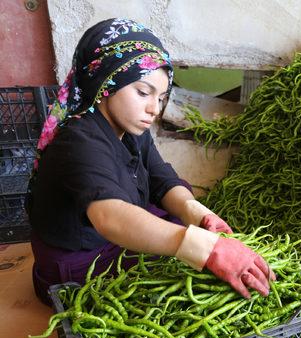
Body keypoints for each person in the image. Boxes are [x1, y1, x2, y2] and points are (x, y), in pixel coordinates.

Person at [26, 18, 274, 306]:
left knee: (178, 227)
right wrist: (206, 250)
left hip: (107, 245)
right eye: (143, 93)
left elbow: (161, 179)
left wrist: (196, 213)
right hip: (77, 268)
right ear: (106, 82)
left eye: (161, 97)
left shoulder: (129, 129)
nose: (153, 109)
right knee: (182, 279)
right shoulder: (79, 140)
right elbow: (111, 217)